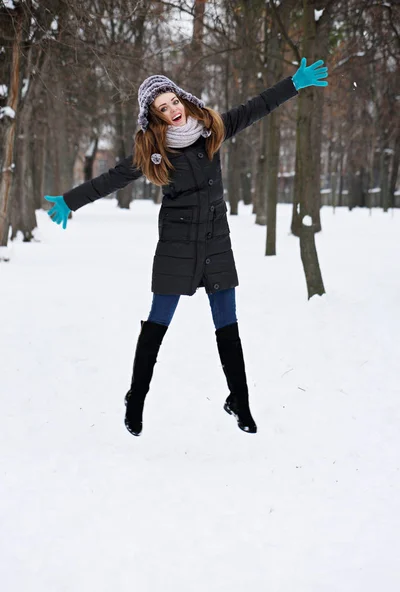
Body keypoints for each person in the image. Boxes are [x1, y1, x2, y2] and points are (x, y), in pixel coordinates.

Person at [45, 57, 328, 437]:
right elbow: (112, 179)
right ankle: (136, 399)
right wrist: (70, 201)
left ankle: (239, 400)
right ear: (155, 117)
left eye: (173, 102)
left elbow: (256, 107)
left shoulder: (212, 130)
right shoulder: (154, 152)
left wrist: (293, 84)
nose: (172, 111)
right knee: (157, 323)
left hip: (215, 242)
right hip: (177, 245)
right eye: (162, 109)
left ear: (182, 99)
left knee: (227, 322)